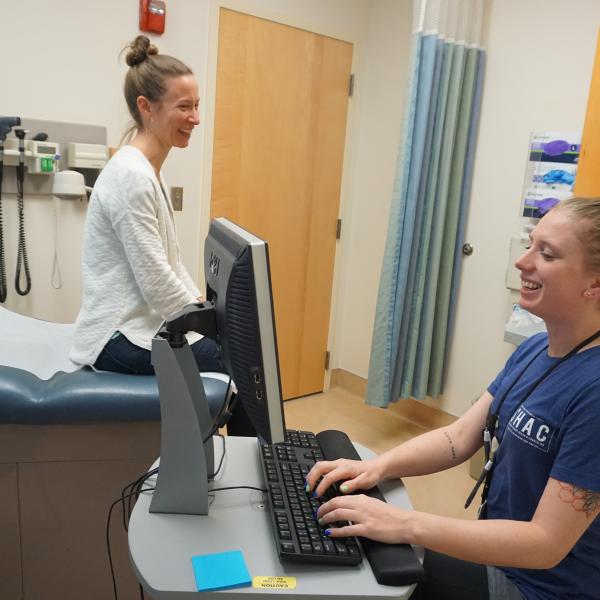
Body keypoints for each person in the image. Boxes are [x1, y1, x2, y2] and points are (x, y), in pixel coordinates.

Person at [306, 197, 600, 600]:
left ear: (595, 284)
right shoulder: (533, 350)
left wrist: (404, 522)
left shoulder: (594, 390)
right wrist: (376, 468)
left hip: (539, 588)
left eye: (546, 254)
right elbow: (460, 437)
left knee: (367, 576)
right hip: (498, 559)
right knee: (351, 555)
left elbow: (545, 542)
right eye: (530, 245)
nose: (522, 262)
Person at [70, 35, 223, 375]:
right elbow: (156, 280)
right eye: (184, 107)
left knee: (226, 349)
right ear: (146, 107)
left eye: (197, 105)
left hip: (134, 324)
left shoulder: (148, 170)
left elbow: (169, 263)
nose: (195, 118)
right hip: (114, 337)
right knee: (221, 358)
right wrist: (207, 323)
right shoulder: (132, 176)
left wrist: (201, 305)